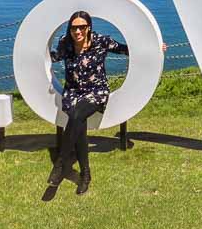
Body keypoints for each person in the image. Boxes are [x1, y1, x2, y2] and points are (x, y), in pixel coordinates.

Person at [47, 10, 138, 194]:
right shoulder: (66, 43)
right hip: (73, 92)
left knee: (77, 116)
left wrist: (156, 48)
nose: (77, 31)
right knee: (77, 121)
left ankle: (61, 164)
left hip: (96, 92)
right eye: (74, 28)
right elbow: (55, 57)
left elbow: (126, 49)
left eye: (81, 27)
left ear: (88, 27)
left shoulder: (101, 41)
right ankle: (85, 174)